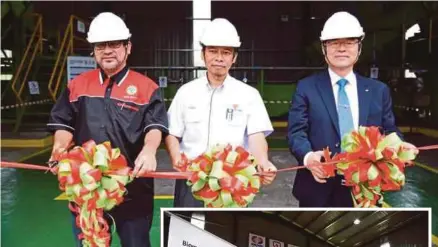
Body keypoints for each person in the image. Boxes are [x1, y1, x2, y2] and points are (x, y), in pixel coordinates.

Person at [47, 12, 168, 246]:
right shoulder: (77, 85)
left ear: (128, 47)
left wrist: (149, 151)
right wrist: (59, 148)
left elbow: (154, 126)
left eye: (114, 44)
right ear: (93, 50)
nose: (108, 50)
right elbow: (63, 123)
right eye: (101, 45)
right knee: (91, 243)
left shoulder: (146, 87)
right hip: (87, 188)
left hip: (133, 188)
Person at [287, 11, 418, 207]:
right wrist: (308, 157)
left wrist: (399, 145)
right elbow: (296, 132)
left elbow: (389, 130)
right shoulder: (306, 87)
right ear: (324, 48)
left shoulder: (378, 91)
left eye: (349, 42)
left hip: (365, 185)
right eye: (334, 42)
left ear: (359, 47)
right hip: (318, 186)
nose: (341, 48)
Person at [165, 18, 277, 207]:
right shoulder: (186, 92)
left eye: (226, 52)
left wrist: (263, 161)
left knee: (228, 234)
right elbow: (172, 133)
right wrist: (176, 156)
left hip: (232, 182)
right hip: (191, 179)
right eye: (213, 51)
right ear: (203, 54)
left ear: (234, 57)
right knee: (185, 232)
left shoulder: (249, 95)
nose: (219, 58)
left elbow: (257, 136)